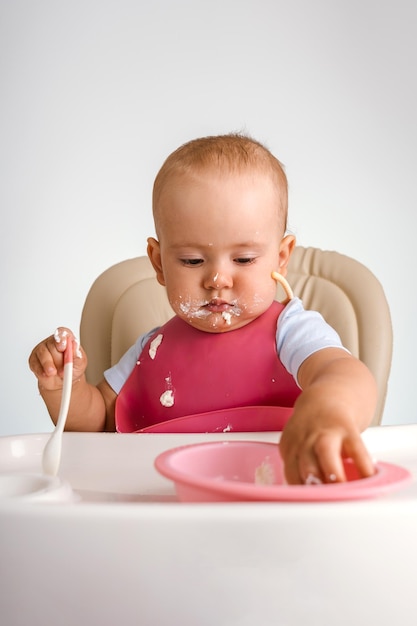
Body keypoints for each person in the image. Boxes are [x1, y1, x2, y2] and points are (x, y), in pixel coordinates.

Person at [29, 133, 377, 485]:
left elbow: (347, 375)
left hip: (277, 492)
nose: (217, 278)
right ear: (160, 263)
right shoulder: (152, 350)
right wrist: (63, 387)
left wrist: (328, 409)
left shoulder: (291, 332)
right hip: (163, 500)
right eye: (192, 260)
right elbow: (99, 420)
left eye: (243, 258)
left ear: (281, 258)